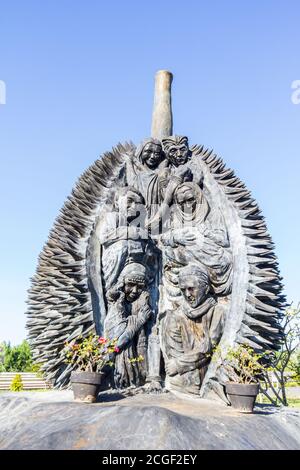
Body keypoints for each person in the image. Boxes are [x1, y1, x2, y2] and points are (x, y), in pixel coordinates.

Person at [160, 264, 224, 395]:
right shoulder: (176, 315)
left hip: (206, 375)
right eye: (183, 290)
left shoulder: (217, 312)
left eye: (191, 289)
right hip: (181, 381)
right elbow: (173, 351)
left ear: (205, 289)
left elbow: (209, 346)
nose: (187, 294)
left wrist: (179, 364)